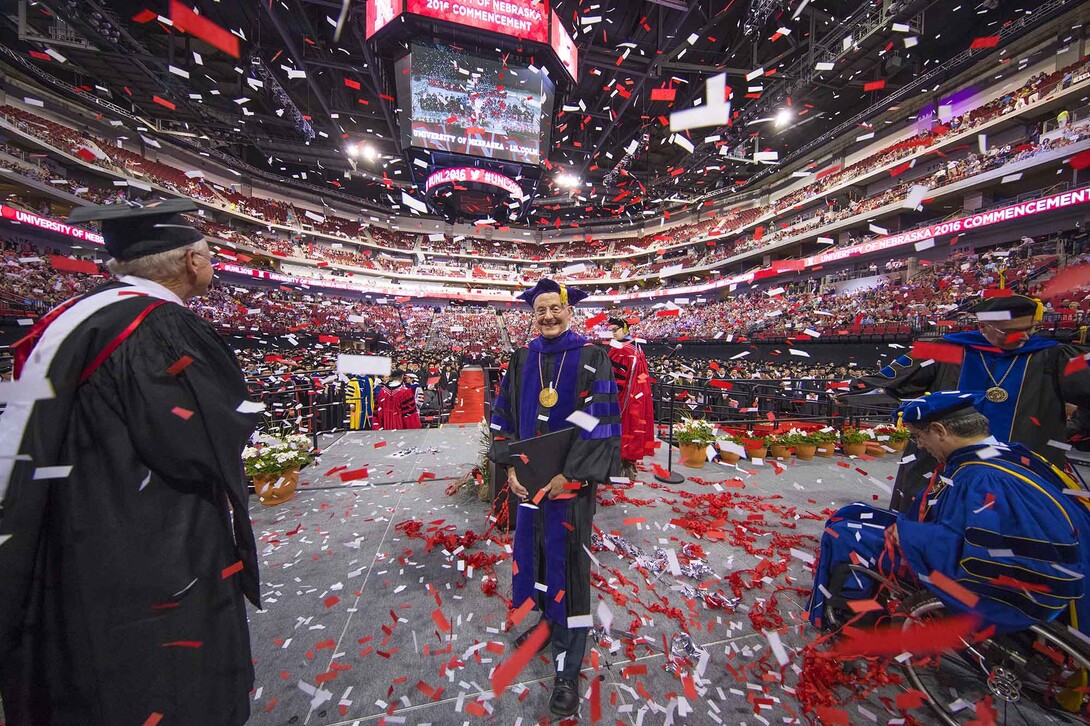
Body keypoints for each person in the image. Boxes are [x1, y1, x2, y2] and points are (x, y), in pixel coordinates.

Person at [0, 199, 261, 725]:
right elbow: (200, 438)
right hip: (145, 540)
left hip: (73, 520)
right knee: (164, 681)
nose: (211, 264)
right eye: (209, 255)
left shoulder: (82, 314)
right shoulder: (157, 325)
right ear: (190, 262)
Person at [808, 391, 1090, 635]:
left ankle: (858, 622)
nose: (920, 446)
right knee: (851, 513)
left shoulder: (982, 478)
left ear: (941, 430)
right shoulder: (1007, 454)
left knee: (845, 533)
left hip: (1000, 585)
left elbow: (981, 551)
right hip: (999, 552)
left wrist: (909, 533)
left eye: (920, 437)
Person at [488, 278, 621, 718]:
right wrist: (510, 466)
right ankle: (547, 623)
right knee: (537, 558)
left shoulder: (590, 358)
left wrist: (572, 474)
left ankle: (568, 666)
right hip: (530, 487)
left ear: (569, 311)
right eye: (539, 309)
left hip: (569, 487)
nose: (547, 316)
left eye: (554, 309)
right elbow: (504, 414)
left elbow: (596, 417)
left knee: (570, 570)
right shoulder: (522, 358)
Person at [844, 294, 1090, 511]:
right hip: (947, 456)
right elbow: (893, 378)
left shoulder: (1050, 355)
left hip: (1023, 460)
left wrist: (1076, 427)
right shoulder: (951, 349)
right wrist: (855, 389)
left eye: (1029, 329)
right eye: (1011, 331)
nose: (1023, 337)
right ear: (984, 326)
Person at [605, 316, 656, 479]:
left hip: (624, 400)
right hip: (638, 399)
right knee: (632, 431)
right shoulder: (636, 347)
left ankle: (617, 469)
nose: (612, 334)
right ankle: (628, 467)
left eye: (615, 330)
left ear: (625, 329)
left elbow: (614, 380)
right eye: (611, 330)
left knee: (621, 432)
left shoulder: (622, 350)